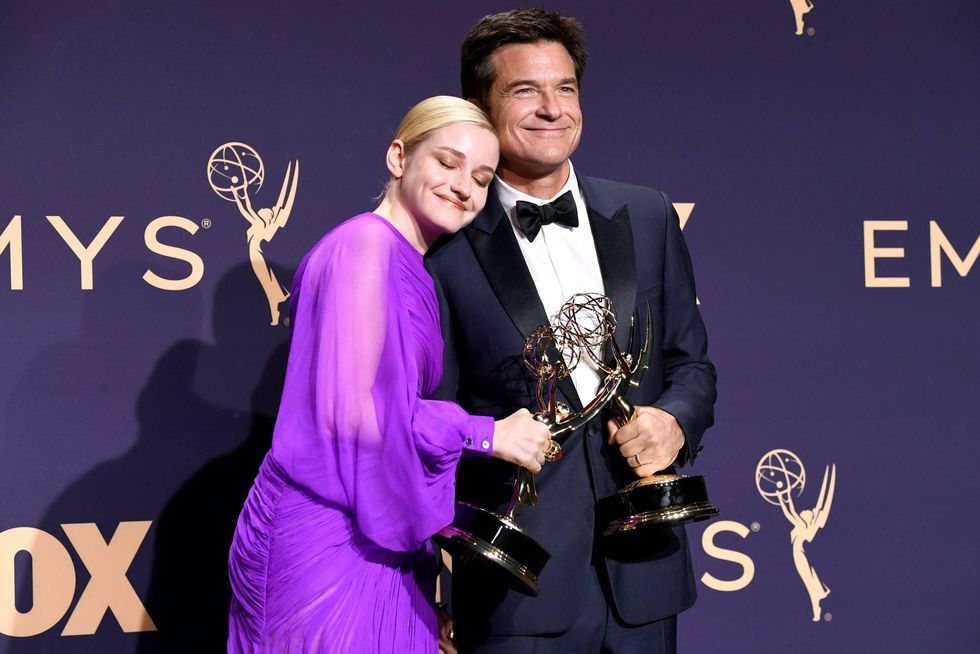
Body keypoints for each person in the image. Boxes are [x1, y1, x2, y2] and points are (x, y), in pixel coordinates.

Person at [426, 10, 717, 653]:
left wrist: (674, 421)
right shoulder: (442, 249)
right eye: (525, 91)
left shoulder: (645, 214)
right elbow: (427, 424)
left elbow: (691, 365)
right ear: (479, 106)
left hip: (645, 572)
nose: (552, 109)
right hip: (513, 585)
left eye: (565, 88)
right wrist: (432, 587)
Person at [227, 95, 552, 653]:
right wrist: (485, 433)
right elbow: (358, 418)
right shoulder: (363, 248)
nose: (464, 187)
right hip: (329, 535)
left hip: (376, 530)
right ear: (399, 157)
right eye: (447, 163)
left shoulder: (410, 264)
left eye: (481, 176)